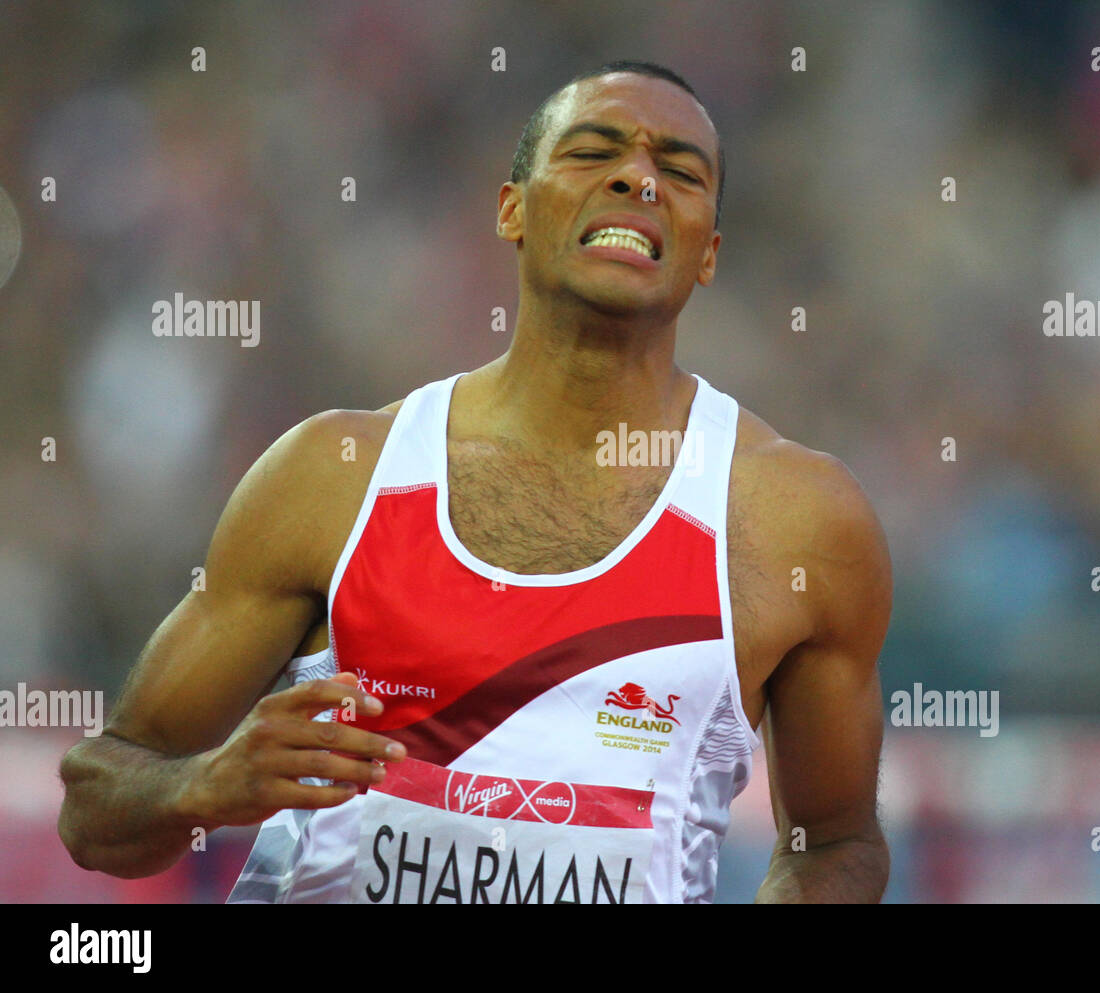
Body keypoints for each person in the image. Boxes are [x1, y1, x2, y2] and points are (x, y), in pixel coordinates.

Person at [57, 60, 892, 904]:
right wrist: (202, 785)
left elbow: (837, 844)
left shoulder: (800, 522)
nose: (638, 176)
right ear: (512, 210)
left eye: (678, 172)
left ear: (707, 251)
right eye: (593, 151)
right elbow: (96, 808)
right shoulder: (333, 477)